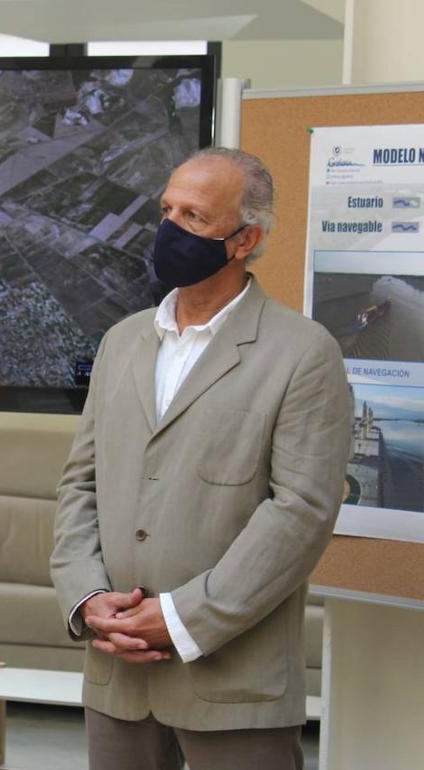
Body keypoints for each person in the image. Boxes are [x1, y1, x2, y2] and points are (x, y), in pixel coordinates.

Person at [50, 147, 352, 770]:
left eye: (193, 216)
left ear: (245, 240)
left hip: (234, 685)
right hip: (117, 675)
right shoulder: (122, 341)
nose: (169, 230)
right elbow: (82, 482)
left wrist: (183, 620)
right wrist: (86, 600)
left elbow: (301, 512)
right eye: (166, 210)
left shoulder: (302, 352)